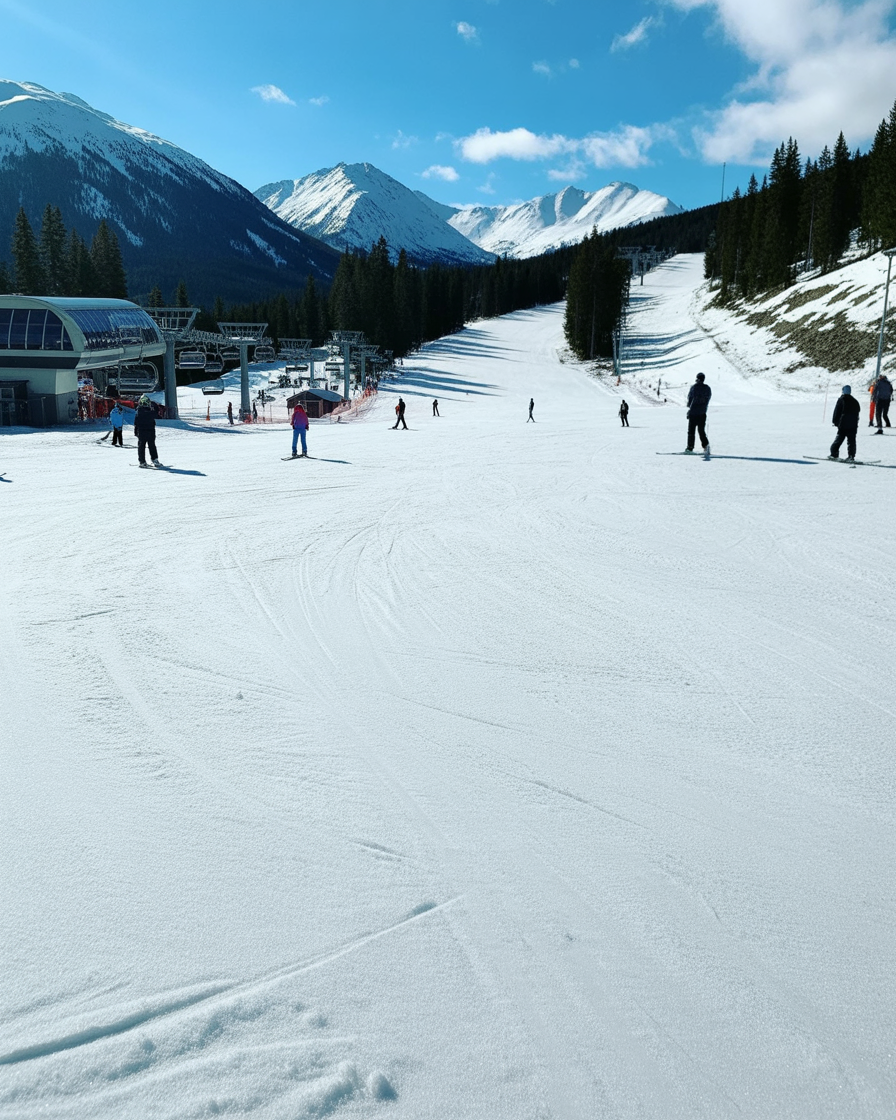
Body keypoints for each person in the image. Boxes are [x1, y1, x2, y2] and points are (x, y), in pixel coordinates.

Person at [830, 384, 860, 460]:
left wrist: (835, 422)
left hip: (843, 424)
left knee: (839, 440)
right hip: (853, 425)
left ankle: (834, 454)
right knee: (851, 441)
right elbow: (858, 411)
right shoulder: (855, 401)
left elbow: (837, 411)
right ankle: (851, 456)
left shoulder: (841, 400)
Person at [685, 372, 711, 454]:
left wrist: (689, 408)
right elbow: (708, 399)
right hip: (702, 413)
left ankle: (690, 447)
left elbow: (690, 399)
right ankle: (706, 446)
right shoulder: (707, 388)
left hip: (693, 413)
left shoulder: (694, 387)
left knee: (691, 431)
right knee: (701, 431)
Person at [134, 394, 160, 467]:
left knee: (143, 446)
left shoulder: (139, 411)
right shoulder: (149, 411)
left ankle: (143, 461)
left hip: (144, 431)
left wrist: (136, 431)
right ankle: (153, 460)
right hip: (148, 430)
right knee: (150, 445)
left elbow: (136, 422)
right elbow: (156, 414)